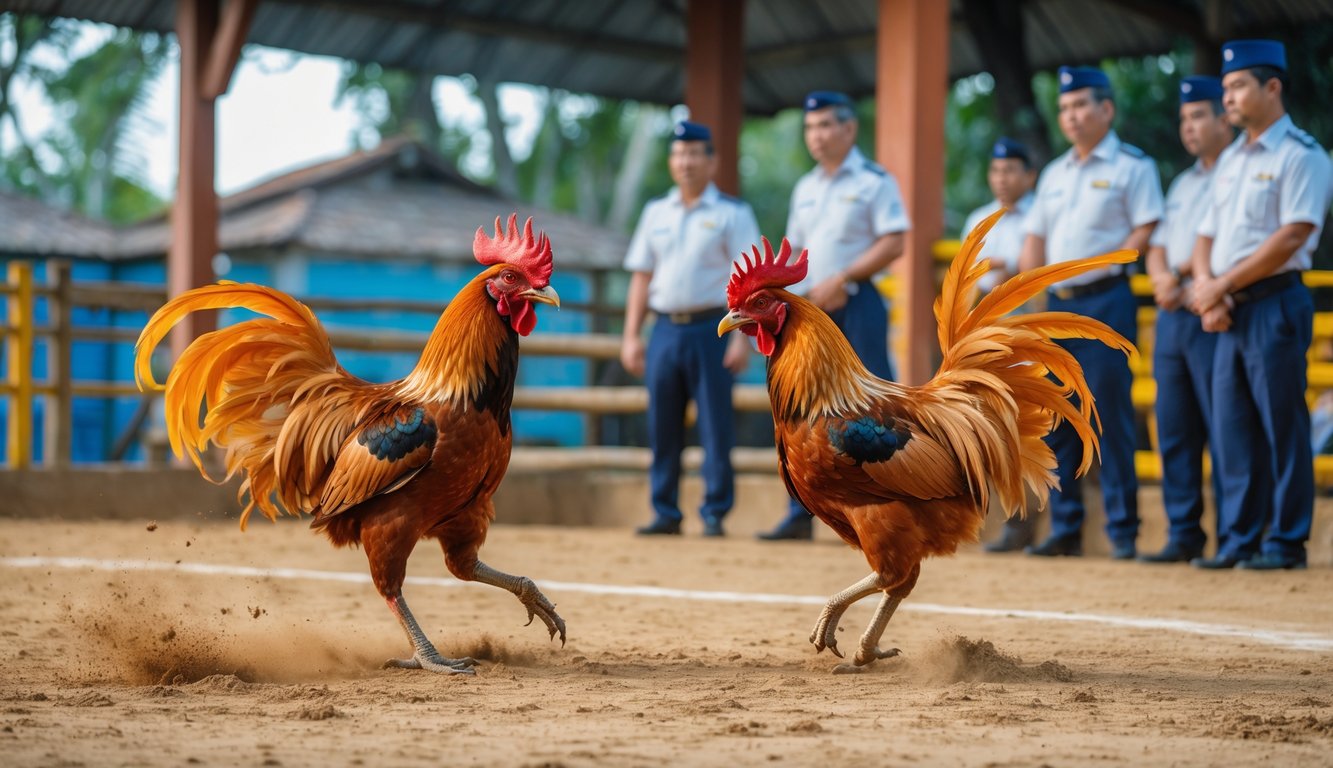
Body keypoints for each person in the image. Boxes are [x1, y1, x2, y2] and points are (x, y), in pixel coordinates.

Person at [1188, 40, 1332, 570]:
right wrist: (1209, 290)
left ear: (1273, 87)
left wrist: (1219, 284)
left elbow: (1293, 235)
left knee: (1282, 425)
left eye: (1237, 85)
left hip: (1276, 304)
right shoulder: (1230, 161)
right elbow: (1205, 235)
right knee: (1231, 429)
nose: (1227, 95)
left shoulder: (1302, 154)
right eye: (1224, 87)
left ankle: (1285, 542)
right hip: (1228, 310)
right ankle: (1239, 541)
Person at [1018, 65, 1163, 560]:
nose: (1071, 116)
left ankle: (1123, 532)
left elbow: (1145, 227)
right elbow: (1035, 236)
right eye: (1064, 108)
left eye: (1081, 105)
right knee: (1056, 414)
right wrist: (1027, 291)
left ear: (1107, 109)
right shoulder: (1055, 173)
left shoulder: (1132, 166)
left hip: (1106, 302)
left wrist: (1111, 262)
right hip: (1057, 307)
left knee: (1109, 414)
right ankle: (1066, 528)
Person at [757, 90, 910, 541]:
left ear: (849, 128)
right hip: (810, 315)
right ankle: (799, 509)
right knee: (797, 411)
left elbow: (895, 241)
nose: (817, 136)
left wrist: (844, 277)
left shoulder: (873, 181)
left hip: (857, 301)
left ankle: (890, 505)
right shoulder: (806, 187)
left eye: (825, 125)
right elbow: (796, 250)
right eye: (810, 128)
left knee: (876, 408)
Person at [622, 120, 760, 538]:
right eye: (679, 154)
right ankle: (665, 510)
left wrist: (742, 337)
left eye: (694, 153)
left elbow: (748, 279)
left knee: (715, 423)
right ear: (671, 161)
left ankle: (715, 512)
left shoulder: (732, 215)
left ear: (711, 160)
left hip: (712, 329)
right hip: (664, 329)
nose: (685, 162)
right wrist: (631, 335)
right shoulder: (655, 212)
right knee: (661, 421)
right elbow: (641, 276)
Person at [1139, 76, 1234, 564]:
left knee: (1225, 426)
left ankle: (1235, 535)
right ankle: (1183, 533)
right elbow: (1157, 244)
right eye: (1184, 118)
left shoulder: (1236, 172)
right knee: (1174, 426)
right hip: (1173, 312)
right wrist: (1160, 277)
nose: (1189, 127)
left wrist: (1180, 276)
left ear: (1225, 117)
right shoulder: (1183, 181)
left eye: (1199, 115)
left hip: (1216, 309)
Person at [963, 137, 1040, 553]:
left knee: (1027, 425)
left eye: (1011, 169)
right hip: (985, 333)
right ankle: (1004, 520)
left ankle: (1029, 522)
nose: (1002, 178)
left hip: (1024, 331)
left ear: (1030, 175)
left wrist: (1005, 269)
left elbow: (1030, 272)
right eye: (996, 170)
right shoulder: (978, 219)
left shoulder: (1039, 216)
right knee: (990, 426)